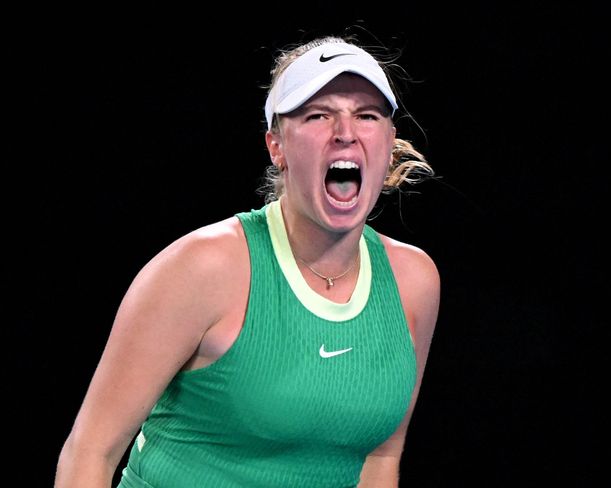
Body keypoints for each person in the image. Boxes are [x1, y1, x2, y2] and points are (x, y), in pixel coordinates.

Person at [55, 33, 440, 488]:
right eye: (319, 115)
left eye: (367, 115)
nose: (345, 133)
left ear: (389, 139)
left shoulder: (414, 281)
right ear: (276, 145)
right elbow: (90, 452)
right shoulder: (203, 268)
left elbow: (380, 457)